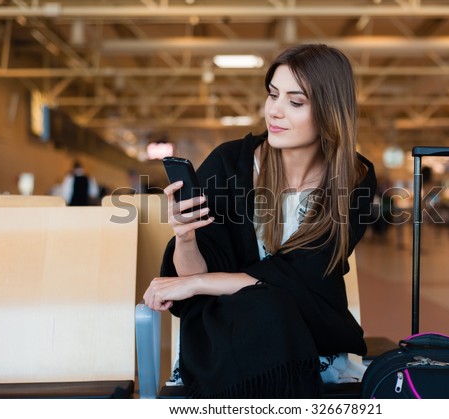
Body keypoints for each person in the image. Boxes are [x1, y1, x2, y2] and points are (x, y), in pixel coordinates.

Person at [143, 44, 377, 398]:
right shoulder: (228, 164)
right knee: (261, 305)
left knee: (270, 304)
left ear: (330, 112)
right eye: (272, 95)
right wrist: (186, 239)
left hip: (309, 339)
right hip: (229, 337)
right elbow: (191, 283)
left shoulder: (352, 177)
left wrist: (201, 283)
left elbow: (302, 277)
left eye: (295, 102)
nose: (275, 111)